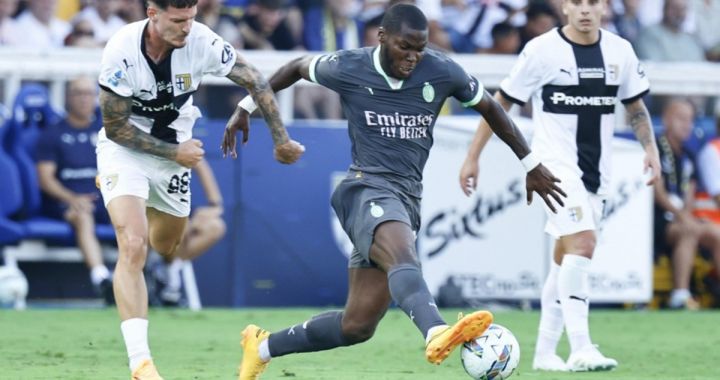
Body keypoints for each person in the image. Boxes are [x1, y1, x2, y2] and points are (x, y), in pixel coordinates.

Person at [223, 4, 566, 379]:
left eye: (420, 48)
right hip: (364, 187)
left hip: (406, 196)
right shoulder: (349, 65)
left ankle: (263, 347)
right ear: (382, 37)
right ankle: (436, 330)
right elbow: (294, 67)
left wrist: (530, 164)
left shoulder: (442, 69)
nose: (413, 57)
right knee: (403, 253)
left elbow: (491, 107)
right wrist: (245, 106)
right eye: (405, 47)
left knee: (356, 326)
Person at [96, 0, 305, 378]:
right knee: (133, 244)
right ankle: (141, 362)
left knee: (167, 246)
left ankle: (131, 198)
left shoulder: (202, 41)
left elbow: (255, 79)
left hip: (176, 155)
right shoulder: (120, 51)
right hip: (126, 150)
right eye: (178, 21)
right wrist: (175, 152)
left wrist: (281, 139)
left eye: (191, 18)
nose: (187, 28)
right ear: (152, 14)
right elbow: (115, 128)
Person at [459, 0, 661, 373]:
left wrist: (650, 149)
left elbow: (635, 107)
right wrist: (473, 156)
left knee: (563, 257)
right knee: (583, 243)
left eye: (593, 2)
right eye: (577, 2)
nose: (585, 9)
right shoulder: (541, 50)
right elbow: (499, 103)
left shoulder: (621, 51)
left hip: (596, 172)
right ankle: (581, 347)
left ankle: (545, 353)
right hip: (553, 167)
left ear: (604, 7)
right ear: (565, 7)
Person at [35, 76, 114, 305]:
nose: (84, 99)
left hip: (104, 199)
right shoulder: (53, 133)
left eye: (88, 93)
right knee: (81, 213)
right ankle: (100, 278)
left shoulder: (105, 132)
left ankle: (134, 277)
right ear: (68, 98)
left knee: (139, 212)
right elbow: (45, 179)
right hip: (65, 201)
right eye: (78, 93)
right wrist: (72, 197)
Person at [654, 98, 720, 309]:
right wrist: (684, 217)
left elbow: (689, 196)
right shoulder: (655, 149)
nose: (687, 124)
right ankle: (680, 294)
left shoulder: (689, 156)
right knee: (689, 230)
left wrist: (689, 216)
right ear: (666, 119)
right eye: (681, 118)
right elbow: (658, 193)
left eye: (690, 119)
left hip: (682, 219)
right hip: (658, 222)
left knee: (716, 233)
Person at [154, 158, 227, 306]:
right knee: (180, 222)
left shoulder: (180, 139)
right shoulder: (145, 145)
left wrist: (214, 205)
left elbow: (199, 162)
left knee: (216, 227)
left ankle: (168, 270)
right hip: (150, 208)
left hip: (179, 206)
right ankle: (168, 274)